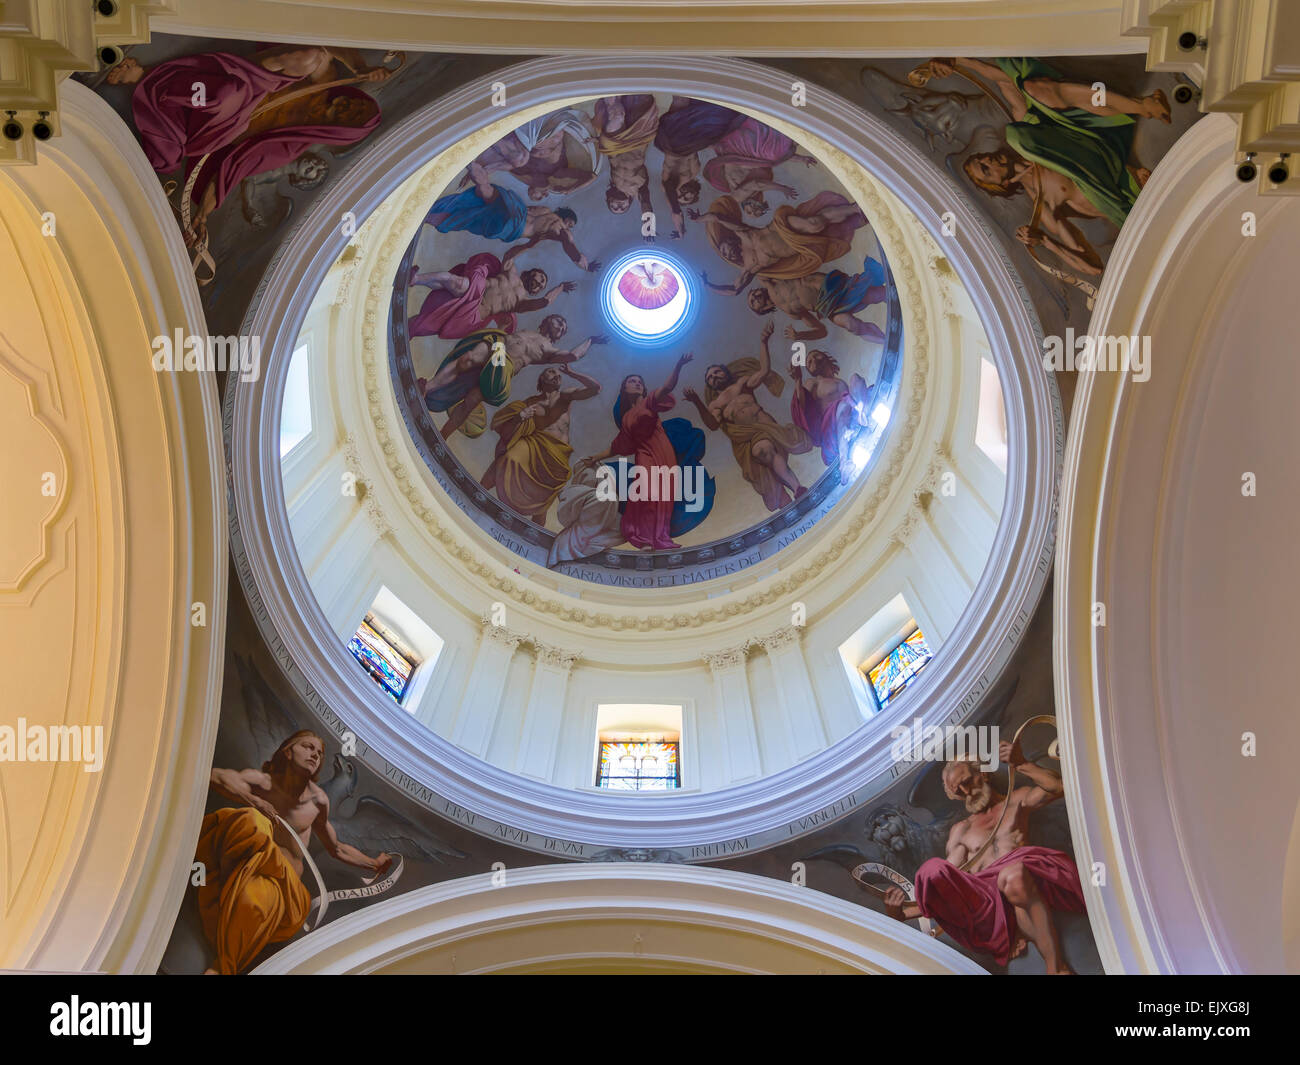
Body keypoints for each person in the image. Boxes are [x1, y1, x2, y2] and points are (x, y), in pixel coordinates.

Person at [107, 47, 388, 244]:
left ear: (340, 131)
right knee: (305, 60)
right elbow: (326, 49)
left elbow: (235, 169)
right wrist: (360, 66)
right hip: (248, 79)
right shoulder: (324, 83)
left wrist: (202, 214)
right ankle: (157, 78)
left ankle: (148, 83)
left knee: (225, 97)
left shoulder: (290, 144)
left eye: (353, 117)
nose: (348, 107)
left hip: (216, 127)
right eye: (357, 105)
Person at [881, 742, 1085, 974]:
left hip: (1024, 878)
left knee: (1012, 875)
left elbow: (1058, 786)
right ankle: (1008, 931)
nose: (966, 792)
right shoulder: (961, 831)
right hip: (987, 903)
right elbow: (943, 886)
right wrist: (899, 912)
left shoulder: (1015, 801)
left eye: (967, 782)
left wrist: (1022, 764)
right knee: (930, 869)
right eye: (958, 791)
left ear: (983, 773)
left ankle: (1057, 968)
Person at [200, 730, 392, 975]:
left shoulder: (318, 801)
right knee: (252, 820)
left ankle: (222, 969)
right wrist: (254, 801)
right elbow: (214, 776)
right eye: (307, 747)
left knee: (253, 901)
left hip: (281, 885)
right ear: (288, 751)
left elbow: (337, 848)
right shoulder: (262, 782)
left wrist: (374, 863)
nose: (315, 754)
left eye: (319, 753)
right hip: (248, 863)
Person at [914, 56, 1165, 227]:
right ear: (1003, 184)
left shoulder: (1031, 131)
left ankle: (1142, 106)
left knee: (1034, 89)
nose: (988, 160)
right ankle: (1136, 204)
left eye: (982, 159)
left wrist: (958, 61)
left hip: (1100, 132)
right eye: (987, 170)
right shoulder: (1039, 198)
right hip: (1115, 185)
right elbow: (1087, 213)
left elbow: (1004, 79)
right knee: (1018, 134)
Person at [579, 353, 714, 551]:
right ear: (624, 389)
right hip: (645, 454)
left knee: (665, 495)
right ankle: (642, 535)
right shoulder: (626, 418)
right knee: (647, 491)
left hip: (664, 452)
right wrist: (596, 457)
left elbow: (667, 387)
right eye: (632, 381)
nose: (637, 383)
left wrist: (678, 365)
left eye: (640, 381)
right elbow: (618, 446)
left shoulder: (649, 402)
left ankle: (660, 537)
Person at [682, 321, 812, 511]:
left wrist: (763, 342)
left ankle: (796, 489)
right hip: (745, 439)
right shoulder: (716, 404)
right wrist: (696, 402)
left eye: (716, 372)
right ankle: (792, 493)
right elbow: (712, 425)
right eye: (709, 377)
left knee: (767, 451)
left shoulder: (741, 384)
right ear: (709, 385)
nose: (714, 377)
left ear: (725, 372)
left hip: (764, 424)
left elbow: (764, 371)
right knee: (765, 459)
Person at [418, 320, 607, 438]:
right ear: (547, 320)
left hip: (503, 365)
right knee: (467, 359)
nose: (561, 326)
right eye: (559, 322)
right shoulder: (526, 331)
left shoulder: (549, 350)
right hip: (496, 346)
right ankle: (427, 387)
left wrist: (590, 340)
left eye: (564, 328)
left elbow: (573, 356)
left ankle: (443, 436)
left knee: (472, 400)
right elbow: (542, 301)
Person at [481, 366, 601, 526]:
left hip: (557, 452)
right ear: (542, 378)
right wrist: (520, 416)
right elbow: (503, 427)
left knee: (547, 491)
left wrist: (572, 372)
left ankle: (536, 529)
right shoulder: (530, 402)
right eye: (551, 372)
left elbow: (595, 388)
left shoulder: (565, 397)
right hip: (534, 443)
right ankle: (480, 491)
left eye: (559, 375)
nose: (557, 376)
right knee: (508, 457)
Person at [428, 163, 601, 272]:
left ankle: (472, 166)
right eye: (569, 223)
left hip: (514, 217)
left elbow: (568, 244)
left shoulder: (549, 216)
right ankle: (472, 168)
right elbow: (568, 244)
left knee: (486, 195)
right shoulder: (556, 223)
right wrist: (581, 260)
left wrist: (581, 261)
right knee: (473, 215)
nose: (567, 227)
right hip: (514, 222)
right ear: (565, 217)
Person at [696, 190, 866, 289]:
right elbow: (735, 289)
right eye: (726, 255)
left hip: (783, 227)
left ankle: (854, 208)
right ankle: (857, 220)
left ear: (730, 242)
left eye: (725, 249)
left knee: (814, 224)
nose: (728, 254)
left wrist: (698, 219)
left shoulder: (744, 234)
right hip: (795, 246)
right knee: (825, 231)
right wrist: (709, 285)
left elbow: (716, 217)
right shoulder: (749, 267)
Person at [708, 255, 888, 342]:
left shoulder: (771, 282)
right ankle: (884, 341)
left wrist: (727, 287)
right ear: (761, 310)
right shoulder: (791, 312)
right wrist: (800, 335)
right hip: (826, 307)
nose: (755, 296)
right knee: (852, 326)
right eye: (753, 302)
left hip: (831, 288)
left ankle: (894, 295)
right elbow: (821, 330)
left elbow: (751, 266)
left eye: (752, 294)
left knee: (875, 295)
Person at [407, 255, 575, 340]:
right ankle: (416, 279)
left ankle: (410, 329)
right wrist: (531, 242)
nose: (540, 284)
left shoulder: (522, 302)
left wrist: (560, 288)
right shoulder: (511, 271)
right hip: (476, 290)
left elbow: (545, 302)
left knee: (432, 323)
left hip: (476, 313)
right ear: (534, 272)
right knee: (454, 281)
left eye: (542, 287)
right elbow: (511, 253)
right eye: (541, 279)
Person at [653, 95, 746, 237]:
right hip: (692, 137)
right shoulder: (694, 172)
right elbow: (696, 149)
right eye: (687, 197)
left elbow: (669, 189)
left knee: (681, 100)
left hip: (674, 142)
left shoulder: (670, 182)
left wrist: (676, 212)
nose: (683, 194)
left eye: (680, 196)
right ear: (695, 195)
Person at [702, 115, 818, 218]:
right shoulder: (756, 191)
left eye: (748, 212)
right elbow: (767, 162)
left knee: (775, 151)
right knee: (775, 154)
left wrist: (783, 189)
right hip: (742, 153)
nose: (753, 211)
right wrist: (802, 159)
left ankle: (790, 120)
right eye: (756, 213)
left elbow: (756, 183)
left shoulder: (738, 197)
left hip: (735, 149)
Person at [790, 349, 877, 478]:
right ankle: (844, 464)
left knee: (856, 379)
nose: (814, 360)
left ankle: (864, 415)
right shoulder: (812, 383)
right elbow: (803, 408)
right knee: (842, 406)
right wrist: (798, 380)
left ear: (824, 357)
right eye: (809, 361)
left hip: (850, 412)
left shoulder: (838, 381)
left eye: (816, 355)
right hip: (831, 428)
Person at [588, 94, 660, 219]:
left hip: (615, 144)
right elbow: (646, 204)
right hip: (637, 141)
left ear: (609, 200)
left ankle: (612, 83)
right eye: (623, 208)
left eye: (614, 207)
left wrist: (599, 140)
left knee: (616, 114)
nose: (619, 205)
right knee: (639, 99)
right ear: (629, 203)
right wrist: (648, 223)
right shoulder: (638, 190)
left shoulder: (615, 182)